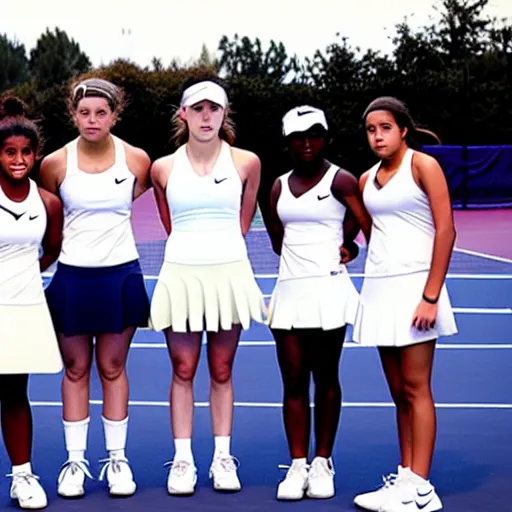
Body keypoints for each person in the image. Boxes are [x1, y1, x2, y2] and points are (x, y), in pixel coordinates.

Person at [150, 78, 265, 495]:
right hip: (180, 274)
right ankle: (183, 460)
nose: (205, 116)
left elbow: (244, 217)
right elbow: (169, 223)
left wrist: (221, 252)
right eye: (197, 109)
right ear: (183, 113)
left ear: (224, 113)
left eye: (213, 109)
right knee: (182, 369)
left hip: (229, 274)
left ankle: (221, 458)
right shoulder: (162, 167)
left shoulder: (247, 162)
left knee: (221, 370)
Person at [39, 77, 151, 498]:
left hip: (121, 275)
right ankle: (75, 462)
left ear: (115, 114)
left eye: (101, 113)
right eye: (84, 112)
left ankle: (117, 460)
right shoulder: (54, 164)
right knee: (75, 370)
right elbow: (49, 218)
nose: (92, 120)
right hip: (72, 277)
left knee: (112, 368)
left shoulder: (137, 160)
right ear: (73, 114)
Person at [352, 96, 458, 512]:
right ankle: (405, 477)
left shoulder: (422, 166)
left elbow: (446, 231)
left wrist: (431, 295)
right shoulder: (365, 180)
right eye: (371, 130)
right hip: (379, 289)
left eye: (385, 128)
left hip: (418, 290)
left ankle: (421, 490)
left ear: (403, 130)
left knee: (416, 388)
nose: (377, 136)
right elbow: (374, 234)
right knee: (398, 392)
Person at [264, 106, 372, 501]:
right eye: (298, 136)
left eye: (314, 134)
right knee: (293, 380)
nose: (306, 143)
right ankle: (297, 465)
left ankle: (323, 462)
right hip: (289, 292)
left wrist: (349, 247)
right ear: (288, 141)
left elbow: (365, 223)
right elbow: (278, 240)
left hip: (329, 292)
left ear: (326, 136)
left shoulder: (341, 179)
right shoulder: (276, 186)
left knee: (325, 377)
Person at [0, 96, 63, 509]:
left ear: (36, 155)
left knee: (14, 393)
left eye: (26, 152)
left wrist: (20, 278)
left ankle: (22, 477)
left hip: (23, 308)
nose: (18, 159)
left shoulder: (49, 203)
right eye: (9, 152)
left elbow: (51, 250)